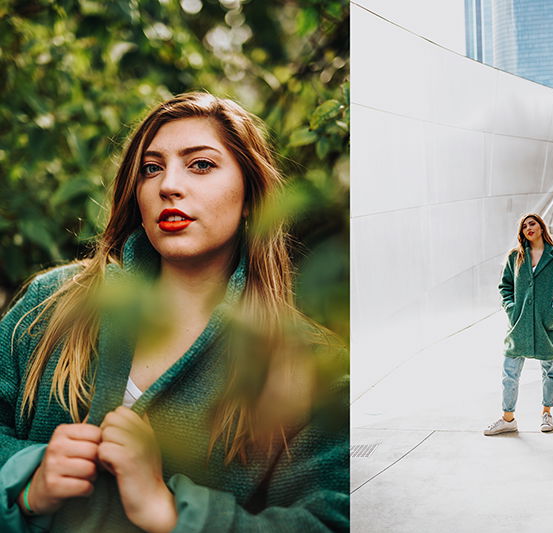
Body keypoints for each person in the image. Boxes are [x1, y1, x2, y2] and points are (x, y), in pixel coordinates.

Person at [0, 92, 349, 532]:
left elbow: (331, 520)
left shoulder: (311, 364)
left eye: (201, 164)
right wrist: (25, 484)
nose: (168, 185)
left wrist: (168, 509)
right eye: (152, 168)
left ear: (251, 198)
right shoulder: (49, 306)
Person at [484, 213, 553, 436]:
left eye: (532, 223)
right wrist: (511, 308)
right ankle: (508, 419)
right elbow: (505, 287)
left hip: (547, 327)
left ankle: (546, 413)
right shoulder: (515, 257)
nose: (528, 228)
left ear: (541, 227)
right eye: (524, 226)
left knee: (549, 372)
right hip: (520, 325)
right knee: (509, 373)